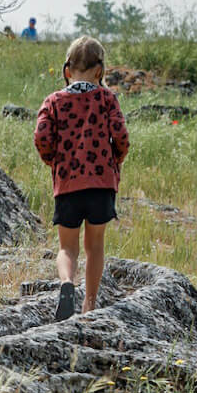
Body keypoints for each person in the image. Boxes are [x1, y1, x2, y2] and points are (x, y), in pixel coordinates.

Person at [34, 35, 130, 319]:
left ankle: (66, 284)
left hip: (67, 183)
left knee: (67, 247)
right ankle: (89, 304)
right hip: (101, 184)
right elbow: (121, 136)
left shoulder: (53, 101)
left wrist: (54, 161)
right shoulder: (107, 98)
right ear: (100, 71)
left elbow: (41, 137)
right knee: (95, 246)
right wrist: (115, 160)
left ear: (67, 70)